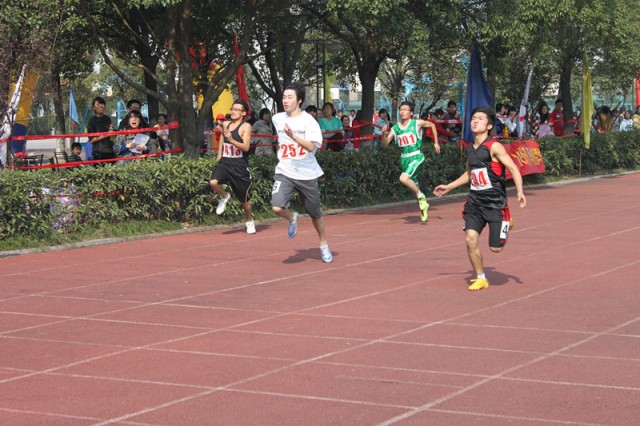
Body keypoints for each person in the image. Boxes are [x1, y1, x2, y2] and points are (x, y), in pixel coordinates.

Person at [433, 106, 526, 291]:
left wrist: (520, 191)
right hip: (475, 202)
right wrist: (449, 187)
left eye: (480, 119)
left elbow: (513, 168)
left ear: (489, 125)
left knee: (496, 249)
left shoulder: (494, 146)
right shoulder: (469, 149)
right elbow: (470, 174)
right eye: (473, 118)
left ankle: (506, 222)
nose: (475, 121)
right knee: (470, 239)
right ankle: (481, 277)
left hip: (495, 203)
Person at [271, 81, 332, 263]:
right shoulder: (277, 118)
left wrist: (294, 137)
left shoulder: (309, 121)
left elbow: (312, 147)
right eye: (284, 97)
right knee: (276, 206)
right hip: (285, 170)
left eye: (290, 97)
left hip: (307, 173)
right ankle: (292, 218)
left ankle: (323, 244)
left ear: (299, 101)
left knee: (315, 214)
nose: (285, 100)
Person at [381, 101, 441, 222]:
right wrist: (383, 134)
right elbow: (385, 145)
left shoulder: (416, 123)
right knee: (414, 187)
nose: (402, 112)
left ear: (411, 112)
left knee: (403, 178)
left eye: (405, 110)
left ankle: (421, 196)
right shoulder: (396, 128)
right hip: (404, 159)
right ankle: (423, 207)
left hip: (416, 156)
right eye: (401, 110)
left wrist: (436, 142)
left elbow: (432, 125)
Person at [209, 99, 256, 234]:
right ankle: (225, 196)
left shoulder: (246, 127)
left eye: (236, 110)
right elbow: (222, 138)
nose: (233, 112)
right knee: (213, 182)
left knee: (244, 201)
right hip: (225, 162)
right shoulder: (225, 124)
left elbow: (246, 147)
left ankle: (249, 220)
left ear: (243, 113)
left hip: (239, 165)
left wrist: (232, 140)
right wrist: (219, 154)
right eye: (232, 109)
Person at [87, 96, 115, 163]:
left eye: (102, 104)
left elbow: (111, 134)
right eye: (98, 104)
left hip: (110, 151)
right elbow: (92, 140)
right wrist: (106, 135)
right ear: (93, 107)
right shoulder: (92, 121)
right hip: (98, 153)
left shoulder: (107, 118)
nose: (100, 106)